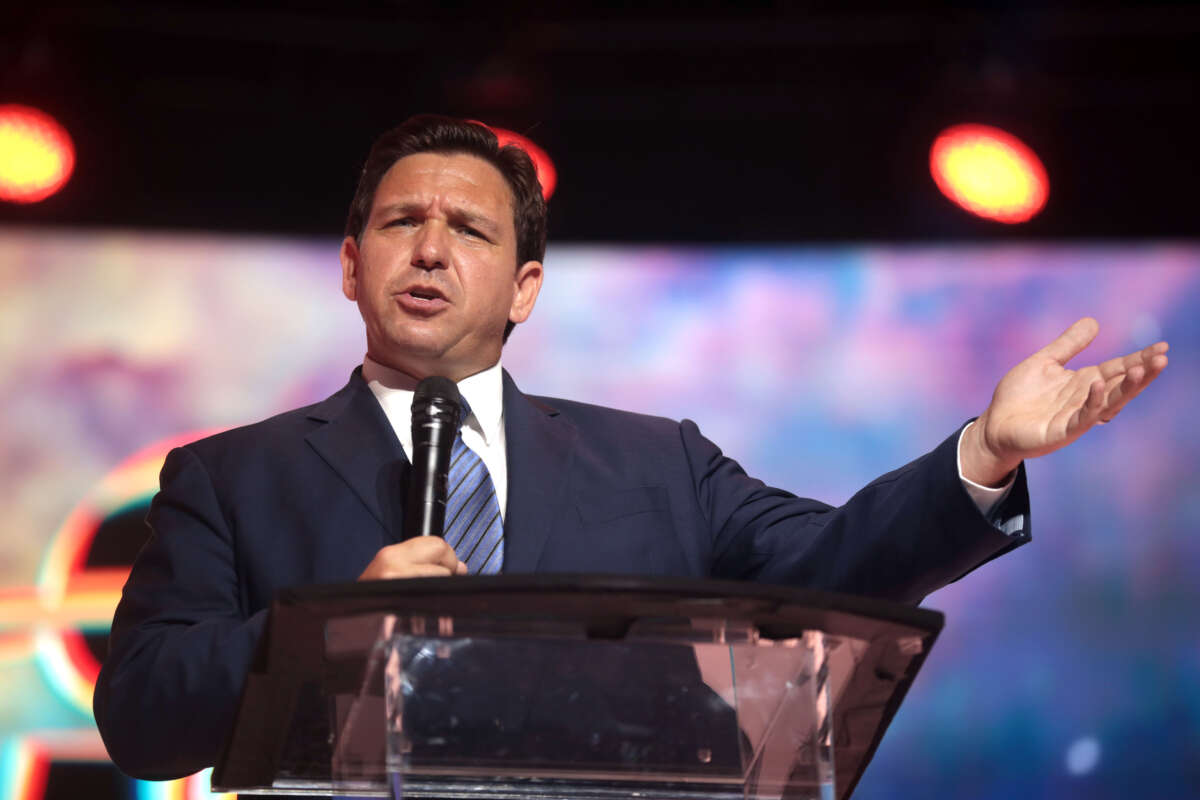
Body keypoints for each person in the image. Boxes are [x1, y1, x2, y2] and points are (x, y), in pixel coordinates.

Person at [93, 115, 1169, 780]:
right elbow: (141, 714)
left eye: (468, 230)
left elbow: (837, 564)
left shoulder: (660, 465)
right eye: (398, 221)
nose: (428, 246)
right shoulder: (230, 477)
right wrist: (315, 633)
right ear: (348, 262)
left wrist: (982, 447)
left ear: (524, 288)